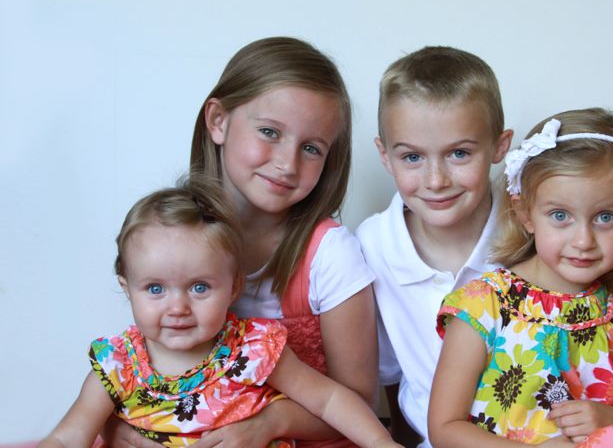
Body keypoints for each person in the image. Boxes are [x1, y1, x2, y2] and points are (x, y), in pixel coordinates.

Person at [106, 37, 377, 448]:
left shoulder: (330, 255)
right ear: (218, 121)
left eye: (311, 148)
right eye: (269, 131)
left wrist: (267, 423)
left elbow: (359, 404)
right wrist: (121, 430)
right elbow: (136, 369)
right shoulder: (170, 235)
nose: (288, 163)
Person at [427, 108, 613, 447]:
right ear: (524, 214)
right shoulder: (485, 305)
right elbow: (444, 430)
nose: (583, 241)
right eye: (560, 215)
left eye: (605, 217)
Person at [39, 178, 399, 448]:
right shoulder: (119, 366)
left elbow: (329, 399)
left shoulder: (253, 349)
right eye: (155, 289)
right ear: (126, 286)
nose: (177, 307)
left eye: (199, 288)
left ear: (234, 288)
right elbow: (69, 436)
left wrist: (383, 444)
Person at [356, 46, 514, 447]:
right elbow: (391, 376)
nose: (437, 179)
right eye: (412, 157)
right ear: (385, 156)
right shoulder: (374, 246)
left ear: (499, 146)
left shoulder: (529, 232)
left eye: (459, 153)